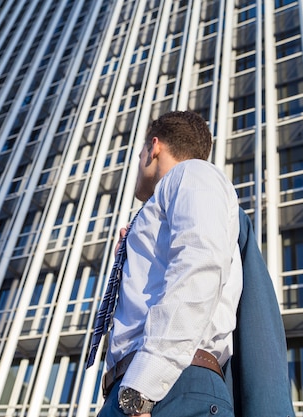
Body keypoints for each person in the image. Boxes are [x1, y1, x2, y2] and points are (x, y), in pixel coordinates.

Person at [96, 110, 242, 417]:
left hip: (165, 386)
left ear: (155, 147)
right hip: (151, 384)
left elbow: (200, 265)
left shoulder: (192, 174)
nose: (139, 163)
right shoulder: (169, 196)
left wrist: (142, 389)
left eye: (139, 155)